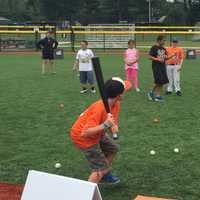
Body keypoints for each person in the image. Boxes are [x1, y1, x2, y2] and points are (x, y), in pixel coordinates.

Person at [70, 77, 126, 184]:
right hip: (83, 137)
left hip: (97, 133)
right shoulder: (99, 108)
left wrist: (113, 129)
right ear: (119, 95)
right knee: (100, 169)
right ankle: (87, 192)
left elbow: (112, 124)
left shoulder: (115, 104)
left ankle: (104, 174)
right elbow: (85, 132)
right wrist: (105, 125)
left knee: (112, 149)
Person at [148, 35, 174, 102]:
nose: (164, 41)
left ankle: (157, 95)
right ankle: (153, 94)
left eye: (165, 40)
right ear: (159, 40)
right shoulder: (154, 47)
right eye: (163, 40)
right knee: (158, 81)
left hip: (163, 66)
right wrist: (157, 59)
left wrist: (172, 56)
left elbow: (165, 58)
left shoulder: (164, 49)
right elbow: (149, 56)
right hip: (156, 67)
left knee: (161, 82)